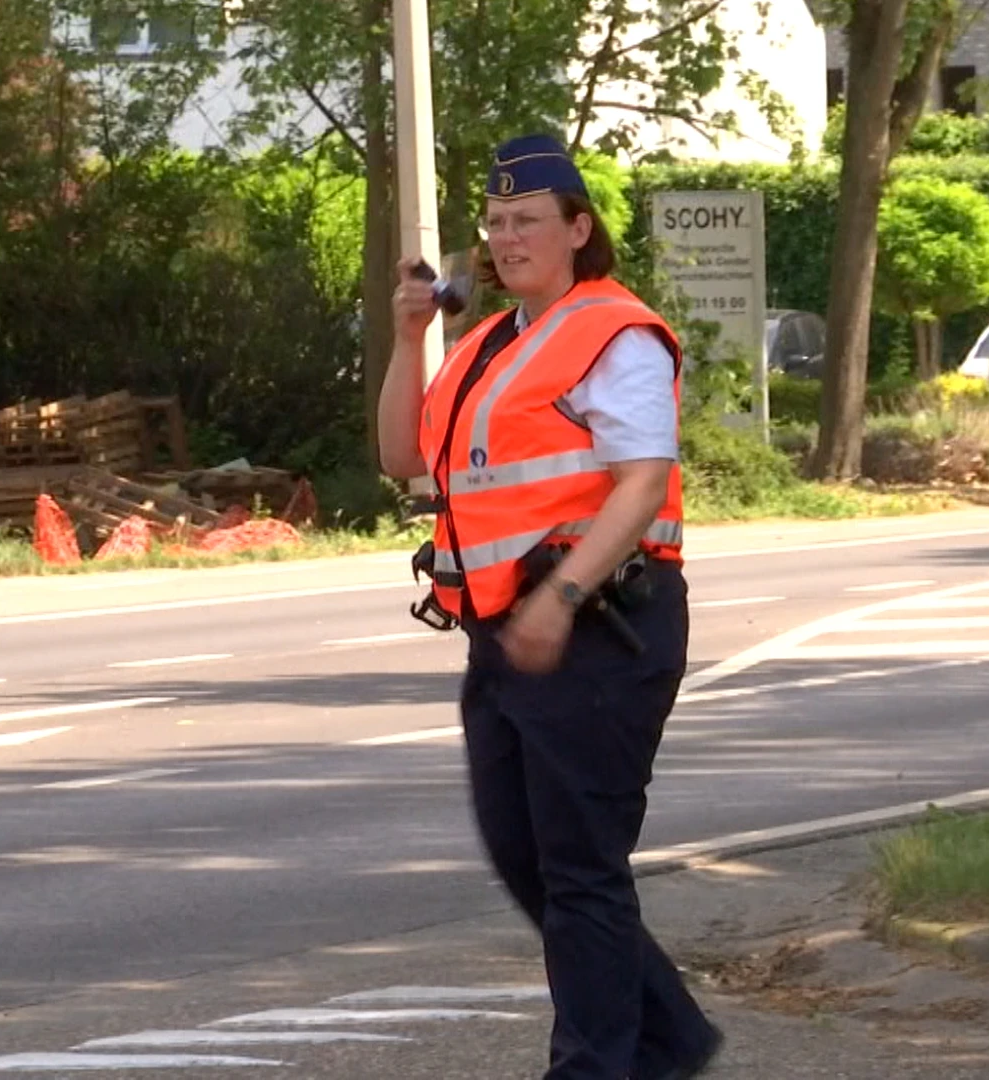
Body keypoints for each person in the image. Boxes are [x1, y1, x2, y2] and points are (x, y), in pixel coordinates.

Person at [377, 131, 723, 1080]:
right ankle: (670, 1040)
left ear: (579, 228)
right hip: (506, 634)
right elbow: (404, 457)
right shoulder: (490, 342)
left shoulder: (615, 332)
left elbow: (643, 481)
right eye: (494, 224)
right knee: (529, 860)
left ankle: (596, 1066)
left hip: (600, 625)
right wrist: (410, 338)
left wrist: (563, 596)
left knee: (578, 870)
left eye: (527, 221)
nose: (506, 239)